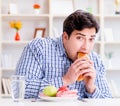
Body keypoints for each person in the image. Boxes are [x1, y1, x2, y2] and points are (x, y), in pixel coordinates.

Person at [15, 10, 112, 99]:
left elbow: (108, 101)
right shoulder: (39, 48)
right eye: (80, 38)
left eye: (91, 39)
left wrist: (91, 88)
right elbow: (20, 89)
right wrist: (65, 80)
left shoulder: (95, 60)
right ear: (65, 37)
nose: (86, 47)